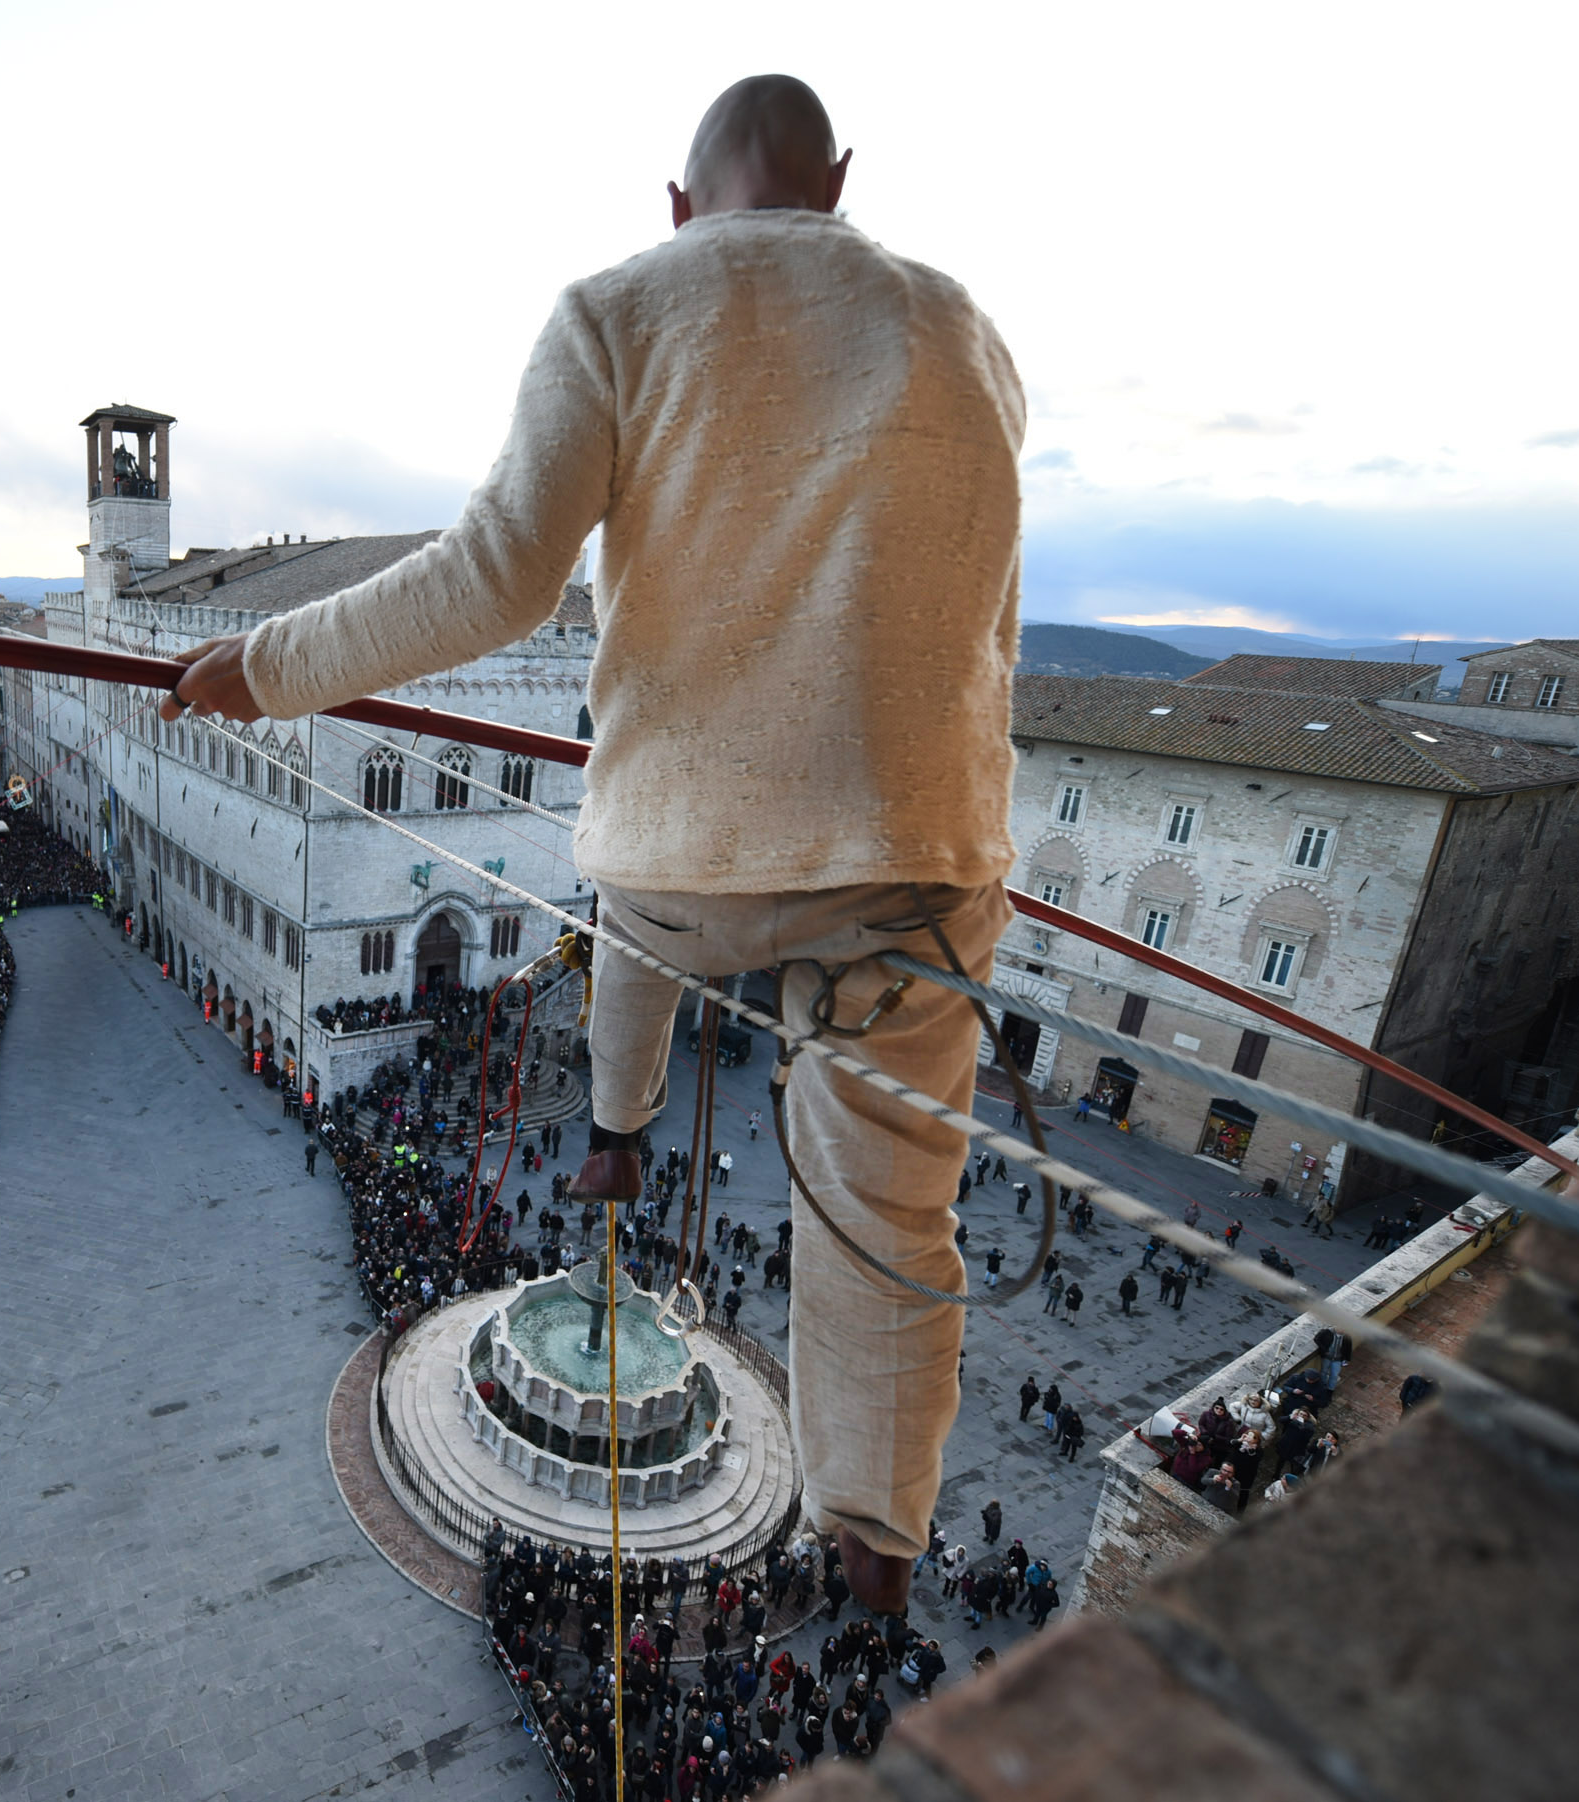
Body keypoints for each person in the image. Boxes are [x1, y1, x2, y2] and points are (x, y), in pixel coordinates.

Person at [167, 76, 1025, 1617]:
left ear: (682, 210)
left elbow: (494, 574)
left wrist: (270, 665)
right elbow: (989, 622)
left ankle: (618, 1128)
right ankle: (876, 1532)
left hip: (682, 853)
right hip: (917, 851)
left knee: (629, 909)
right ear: (839, 185)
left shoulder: (624, 308)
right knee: (892, 1212)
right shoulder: (965, 333)